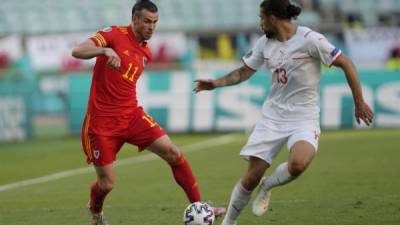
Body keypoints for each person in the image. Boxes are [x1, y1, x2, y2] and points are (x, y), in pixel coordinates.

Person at [193, 0, 374, 224]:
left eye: (261, 18)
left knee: (299, 164)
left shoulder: (310, 39)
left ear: (273, 18)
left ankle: (268, 185)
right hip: (273, 118)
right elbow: (242, 72)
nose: (259, 23)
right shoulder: (264, 44)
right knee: (250, 179)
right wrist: (216, 83)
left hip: (304, 116)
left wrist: (359, 102)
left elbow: (346, 63)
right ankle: (229, 222)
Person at [71, 1, 225, 224]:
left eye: (155, 22)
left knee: (173, 152)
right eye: (146, 21)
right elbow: (77, 50)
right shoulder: (113, 34)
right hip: (103, 122)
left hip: (132, 115)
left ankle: (200, 207)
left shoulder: (146, 52)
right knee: (107, 184)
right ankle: (96, 212)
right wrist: (104, 50)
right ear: (134, 19)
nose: (151, 27)